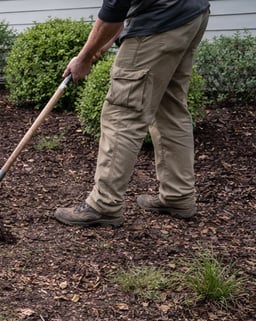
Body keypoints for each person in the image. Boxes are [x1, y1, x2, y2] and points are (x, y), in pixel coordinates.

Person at [54, 0, 211, 227]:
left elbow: (114, 8)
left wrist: (85, 57)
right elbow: (121, 10)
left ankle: (104, 204)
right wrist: (100, 45)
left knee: (122, 114)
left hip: (161, 20)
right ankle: (178, 195)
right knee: (171, 109)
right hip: (192, 14)